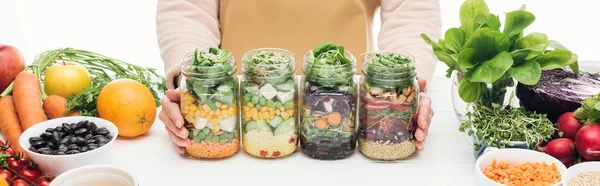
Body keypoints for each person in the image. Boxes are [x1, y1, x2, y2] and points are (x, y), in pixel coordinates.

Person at [156, 0, 440, 155]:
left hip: (350, 91)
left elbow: (411, 9)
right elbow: (187, 8)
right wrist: (192, 81)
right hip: (236, 93)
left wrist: (407, 84)